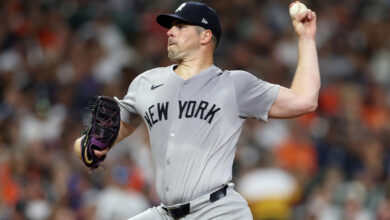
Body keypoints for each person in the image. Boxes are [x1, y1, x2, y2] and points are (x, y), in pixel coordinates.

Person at [73, 1, 320, 219]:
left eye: (181, 27)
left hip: (218, 211)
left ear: (205, 37)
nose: (170, 32)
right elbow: (89, 147)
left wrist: (306, 38)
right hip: (165, 212)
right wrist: (91, 145)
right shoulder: (145, 83)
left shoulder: (234, 84)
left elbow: (305, 100)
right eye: (171, 27)